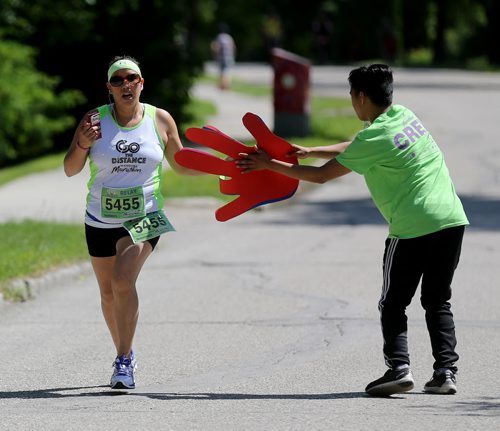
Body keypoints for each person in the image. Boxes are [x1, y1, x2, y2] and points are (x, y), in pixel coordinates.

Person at [236, 64, 468, 397]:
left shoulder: (375, 136)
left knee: (393, 303)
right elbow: (359, 144)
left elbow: (320, 177)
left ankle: (399, 369)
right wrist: (313, 150)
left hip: (413, 226)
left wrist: (266, 164)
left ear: (360, 96)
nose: (351, 102)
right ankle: (445, 372)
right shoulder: (404, 116)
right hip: (452, 220)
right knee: (437, 300)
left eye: (350, 95)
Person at [64, 55, 200, 390]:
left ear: (142, 83)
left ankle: (123, 361)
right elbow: (70, 168)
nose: (126, 84)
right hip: (99, 219)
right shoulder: (95, 120)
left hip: (146, 215)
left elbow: (181, 164)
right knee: (109, 294)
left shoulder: (160, 120)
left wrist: (223, 168)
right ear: (109, 88)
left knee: (123, 281)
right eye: (118, 79)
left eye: (132, 78)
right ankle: (125, 351)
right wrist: (82, 143)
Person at [211, 23, 236, 90]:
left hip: (221, 57)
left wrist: (215, 54)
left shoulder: (219, 37)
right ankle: (226, 85)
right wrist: (233, 55)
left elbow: (216, 47)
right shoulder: (229, 37)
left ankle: (222, 86)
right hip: (229, 57)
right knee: (227, 71)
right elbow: (233, 47)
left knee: (221, 71)